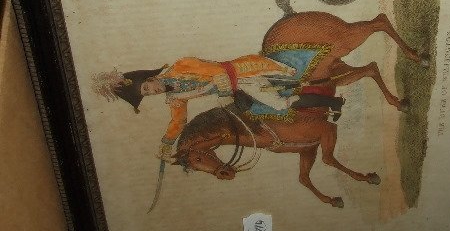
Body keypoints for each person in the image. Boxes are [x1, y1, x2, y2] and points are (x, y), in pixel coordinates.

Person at [92, 55, 298, 162]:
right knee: (273, 108)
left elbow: (218, 72)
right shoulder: (175, 98)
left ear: (151, 78)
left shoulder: (181, 65)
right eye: (147, 94)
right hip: (240, 89)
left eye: (147, 88)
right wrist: (167, 144)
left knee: (286, 85)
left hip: (245, 72)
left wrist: (224, 93)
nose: (152, 92)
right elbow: (178, 121)